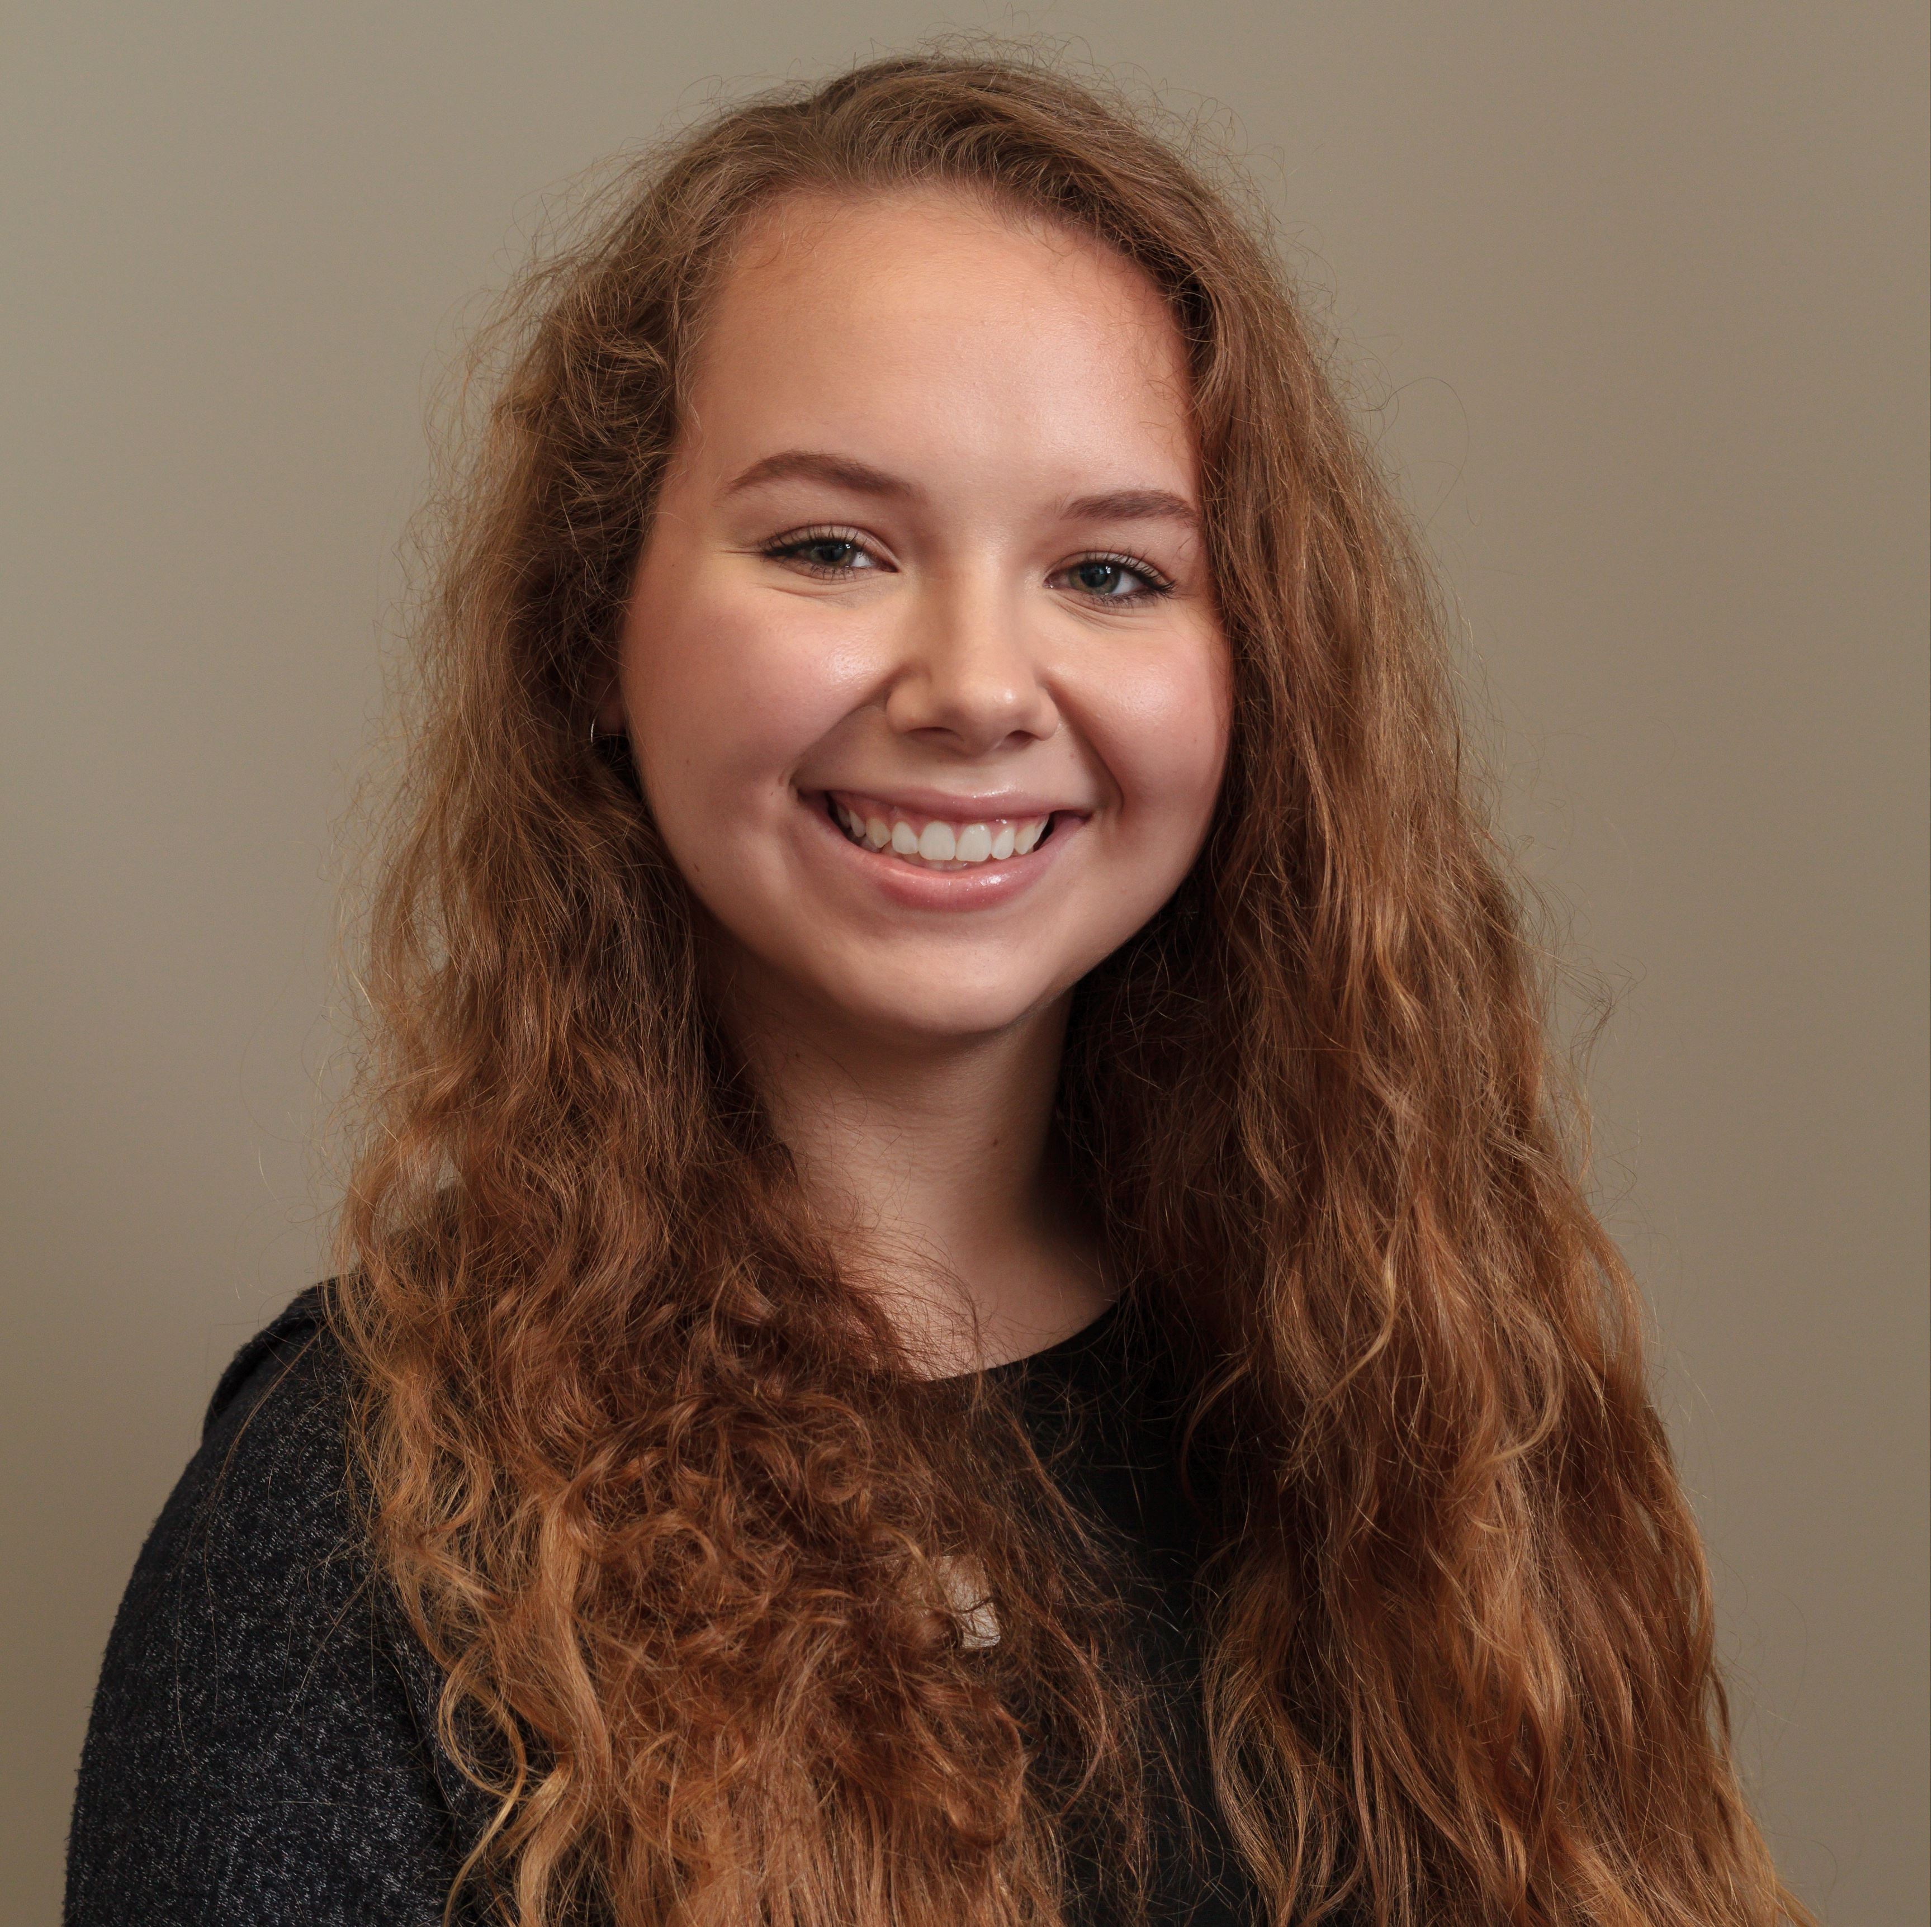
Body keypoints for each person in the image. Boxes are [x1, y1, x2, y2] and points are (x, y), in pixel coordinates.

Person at [65, 51, 1806, 1927]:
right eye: (832, 548)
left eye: (1111, 572)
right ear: (594, 634)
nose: (978, 687)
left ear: (1257, 670)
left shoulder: (1410, 1398)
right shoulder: (355, 1541)